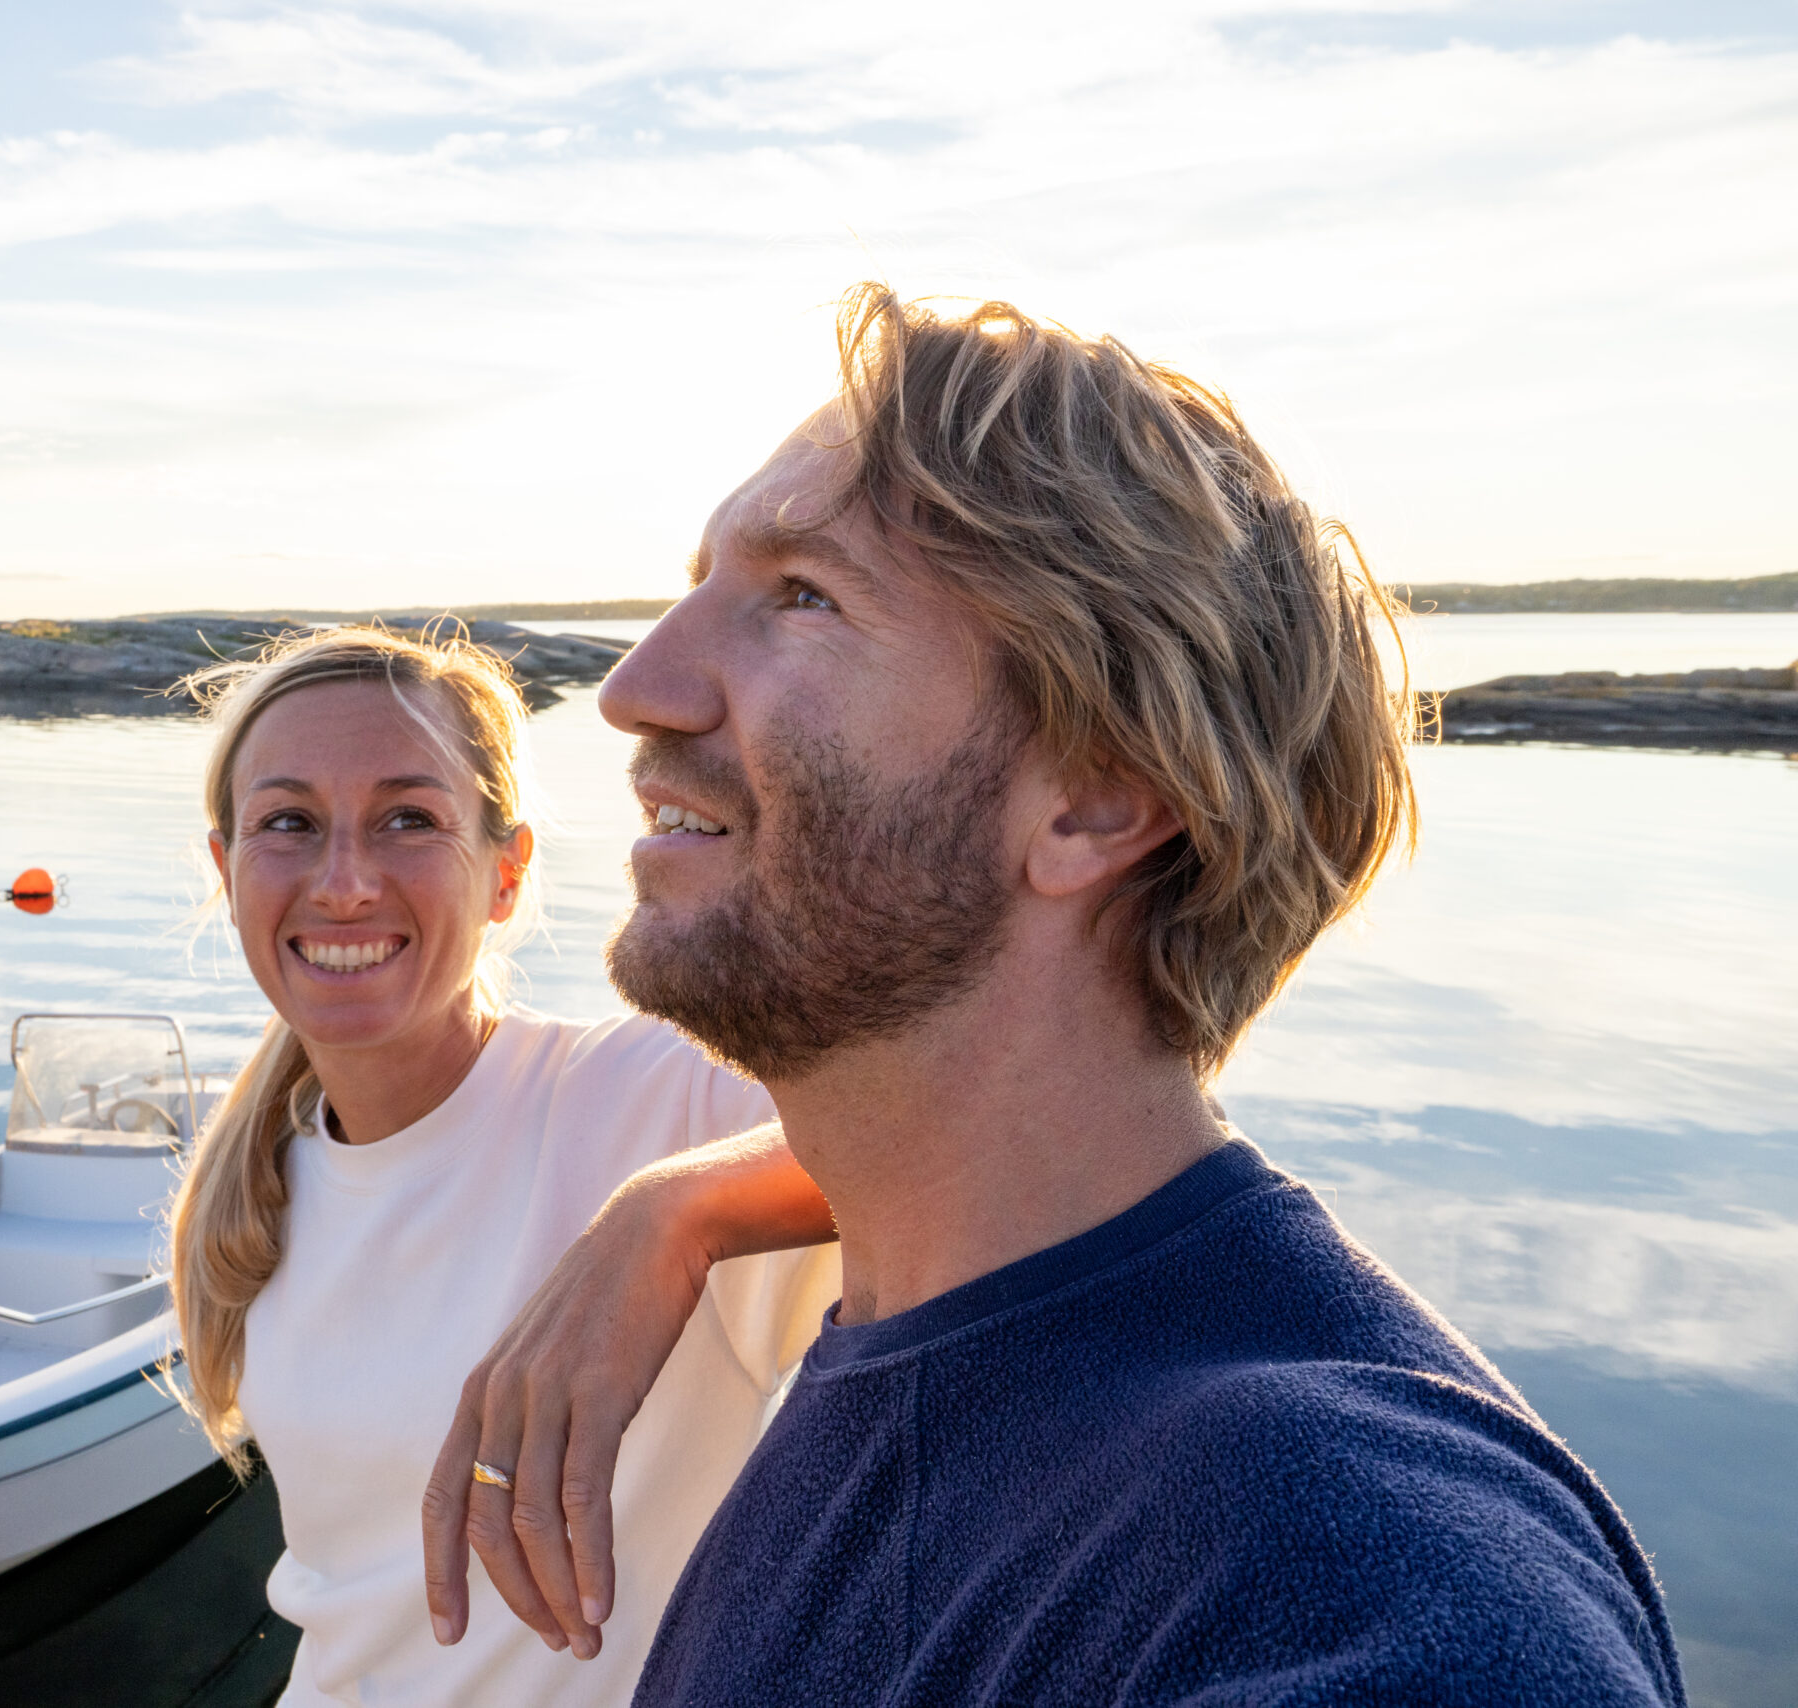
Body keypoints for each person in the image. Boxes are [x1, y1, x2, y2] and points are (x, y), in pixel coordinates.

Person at [426, 289, 1685, 1706]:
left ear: (1097, 798)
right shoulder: (904, 1358)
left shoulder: (1367, 1577)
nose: (637, 688)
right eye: (702, 584)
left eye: (801, 597)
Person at [165, 625, 842, 1708]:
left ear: (506, 876)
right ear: (226, 867)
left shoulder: (659, 1099)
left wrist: (673, 1215)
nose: (343, 883)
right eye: (288, 822)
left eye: (409, 820)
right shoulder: (266, 1181)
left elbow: (1002, 1125)